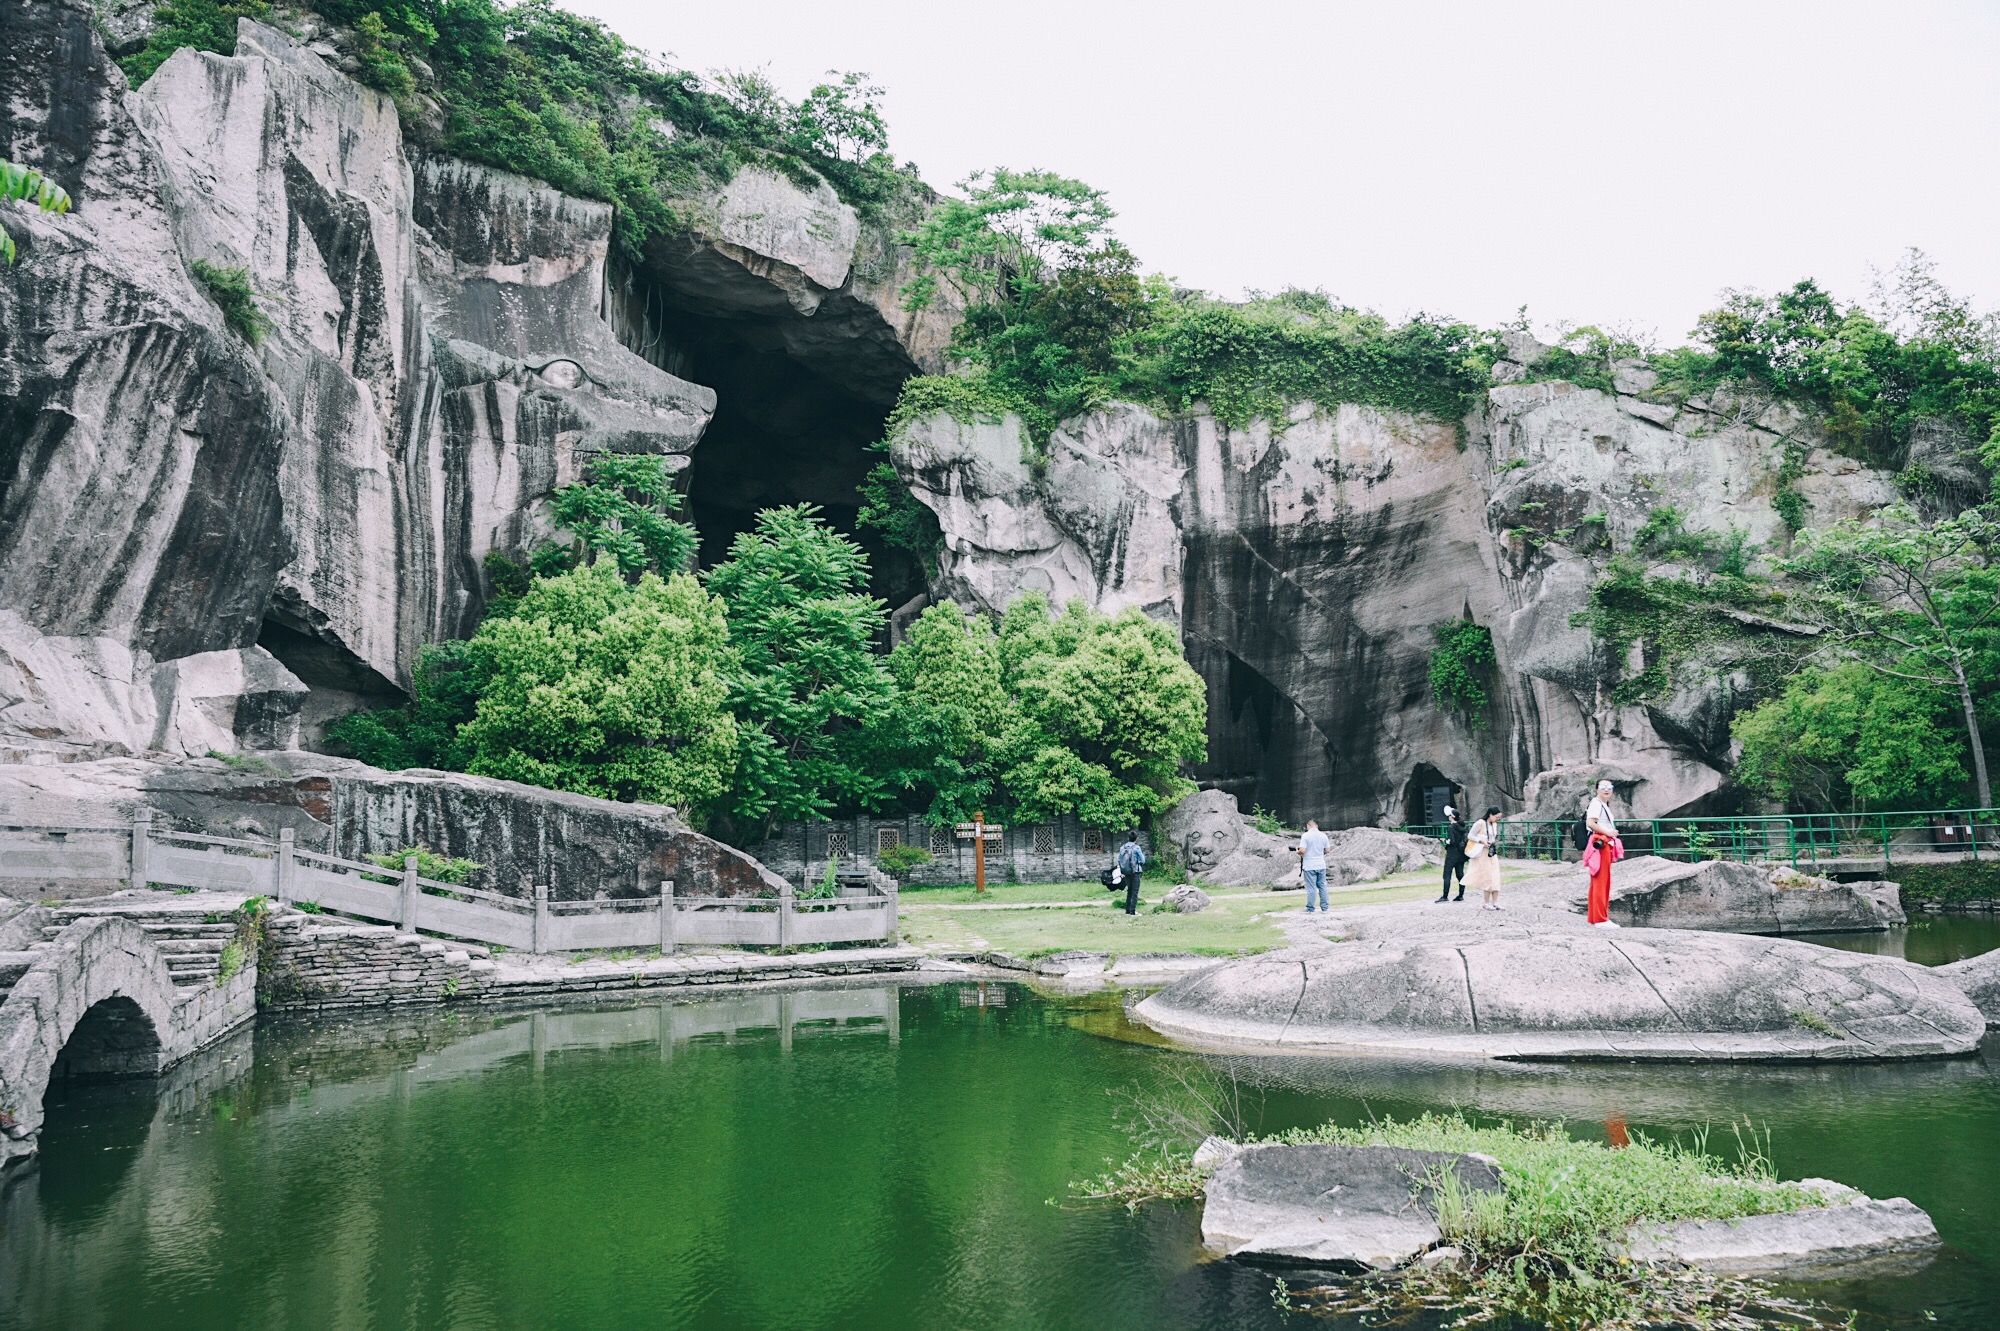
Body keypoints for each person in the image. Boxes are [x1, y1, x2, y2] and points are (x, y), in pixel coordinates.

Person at [1585, 779, 1623, 928]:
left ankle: (1596, 917)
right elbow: (1591, 823)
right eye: (1603, 787)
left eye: (1609, 787)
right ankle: (1601, 919)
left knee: (1599, 881)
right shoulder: (1596, 803)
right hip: (1601, 842)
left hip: (1603, 842)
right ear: (1597, 789)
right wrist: (1609, 832)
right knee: (1602, 881)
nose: (1606, 790)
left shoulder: (1602, 804)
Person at [1467, 806, 1503, 909]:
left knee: (1495, 876)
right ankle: (1486, 903)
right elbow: (1470, 835)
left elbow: (1492, 838)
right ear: (1490, 815)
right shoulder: (1480, 823)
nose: (1497, 819)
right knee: (1487, 877)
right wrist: (1481, 841)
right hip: (1483, 852)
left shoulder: (1494, 824)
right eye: (1496, 817)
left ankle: (1495, 901)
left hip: (1492, 852)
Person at [1434, 806, 1469, 903]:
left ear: (1451, 817)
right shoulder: (1462, 826)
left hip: (1452, 853)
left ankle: (1445, 896)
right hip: (1461, 853)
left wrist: (1445, 840)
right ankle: (1461, 895)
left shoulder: (1451, 827)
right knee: (1460, 874)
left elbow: (1451, 841)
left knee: (1447, 875)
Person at [1297, 818, 1330, 913]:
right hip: (1321, 864)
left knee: (1311, 887)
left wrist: (1298, 852)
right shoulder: (1324, 836)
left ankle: (1310, 908)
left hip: (1309, 865)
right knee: (1322, 886)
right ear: (1317, 825)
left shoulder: (1306, 836)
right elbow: (1327, 850)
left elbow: (1302, 850)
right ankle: (1325, 908)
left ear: (1308, 825)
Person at [1116, 833, 1147, 916]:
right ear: (1136, 839)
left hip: (1126, 872)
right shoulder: (1136, 848)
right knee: (1135, 891)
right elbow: (1143, 860)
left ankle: (1127, 910)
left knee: (1129, 890)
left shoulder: (1122, 847)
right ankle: (1133, 911)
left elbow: (1118, 859)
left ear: (1128, 838)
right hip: (1135, 872)